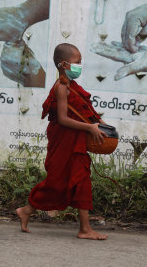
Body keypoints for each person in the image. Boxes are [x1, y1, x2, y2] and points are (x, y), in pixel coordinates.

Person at [16, 43, 109, 240]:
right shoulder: (61, 88)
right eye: (77, 62)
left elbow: (85, 111)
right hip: (63, 140)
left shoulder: (74, 87)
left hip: (76, 142)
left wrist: (100, 123)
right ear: (64, 64)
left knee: (82, 181)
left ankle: (85, 229)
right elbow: (64, 119)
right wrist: (89, 128)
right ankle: (26, 210)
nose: (80, 66)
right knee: (56, 183)